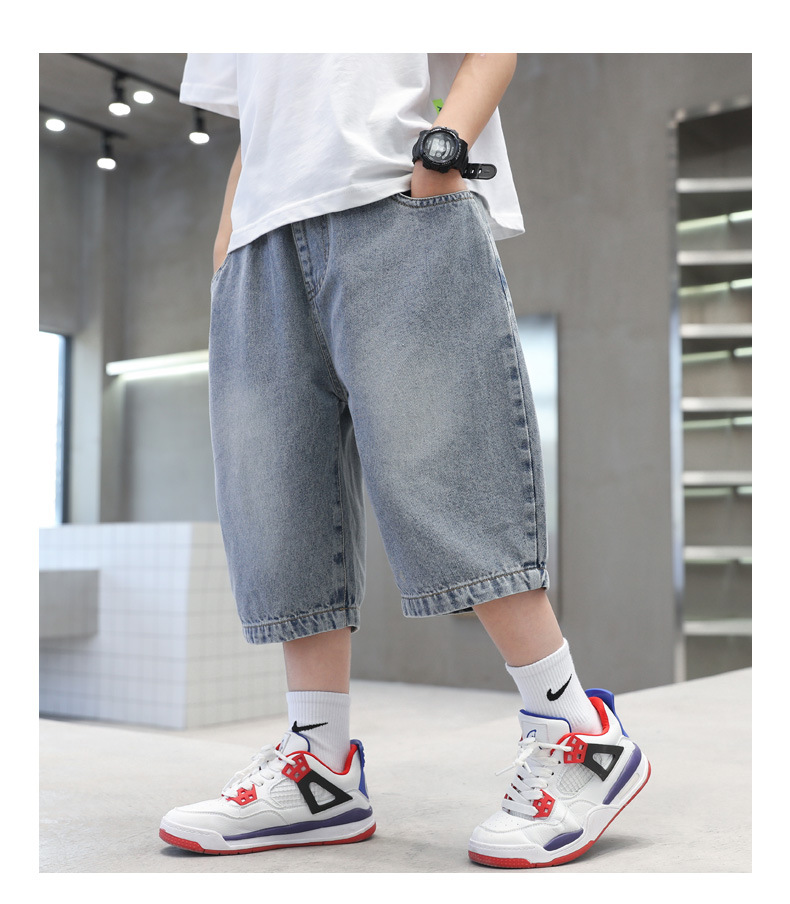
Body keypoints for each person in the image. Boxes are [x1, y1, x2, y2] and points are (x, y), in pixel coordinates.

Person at [159, 53, 650, 868]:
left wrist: (441, 155)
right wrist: (228, 245)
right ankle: (319, 765)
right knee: (278, 503)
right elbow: (259, 116)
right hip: (258, 243)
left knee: (446, 472)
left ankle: (578, 733)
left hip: (393, 203)